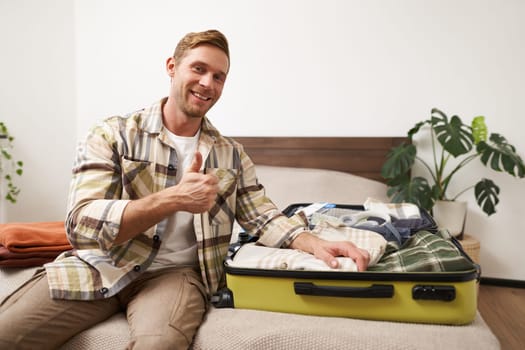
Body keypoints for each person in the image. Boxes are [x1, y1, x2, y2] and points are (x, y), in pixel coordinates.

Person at [0, 29, 370, 349]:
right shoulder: (112, 134)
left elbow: (264, 216)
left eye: (219, 76)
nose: (208, 83)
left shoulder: (231, 154)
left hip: (175, 276)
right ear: (171, 67)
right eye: (199, 68)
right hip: (102, 264)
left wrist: (317, 244)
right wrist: (172, 199)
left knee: (158, 345)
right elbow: (81, 225)